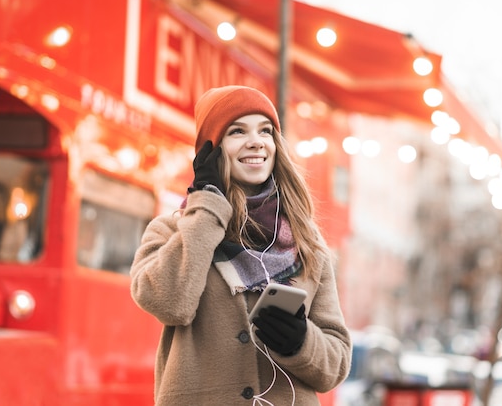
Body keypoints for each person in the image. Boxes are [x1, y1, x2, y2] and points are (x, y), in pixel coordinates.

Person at [130, 85, 352, 405]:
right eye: (237, 131)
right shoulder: (171, 231)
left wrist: (301, 342)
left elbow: (337, 363)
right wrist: (207, 205)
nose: (256, 142)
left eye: (265, 131)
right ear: (212, 149)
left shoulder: (307, 243)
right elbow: (168, 304)